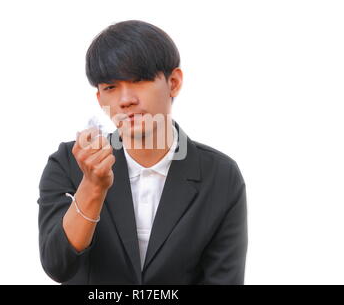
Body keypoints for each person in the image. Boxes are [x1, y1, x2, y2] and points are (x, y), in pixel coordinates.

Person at [37, 20, 248, 284]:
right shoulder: (68, 163)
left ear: (173, 82)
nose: (125, 100)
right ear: (100, 99)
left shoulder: (220, 177)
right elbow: (57, 265)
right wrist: (92, 187)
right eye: (110, 87)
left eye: (139, 80)